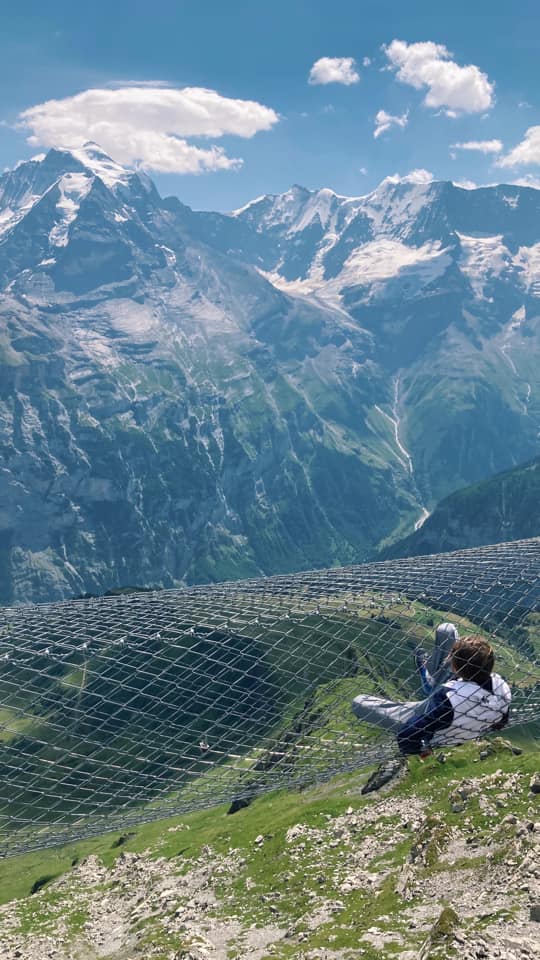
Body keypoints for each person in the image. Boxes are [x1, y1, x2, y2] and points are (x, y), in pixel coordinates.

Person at [352, 623, 511, 757]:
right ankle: (428, 678)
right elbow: (501, 721)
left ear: (454, 668)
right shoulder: (501, 684)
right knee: (446, 629)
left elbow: (408, 732)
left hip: (440, 733)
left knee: (358, 703)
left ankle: (427, 679)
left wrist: (416, 751)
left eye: (451, 658)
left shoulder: (446, 697)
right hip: (466, 719)